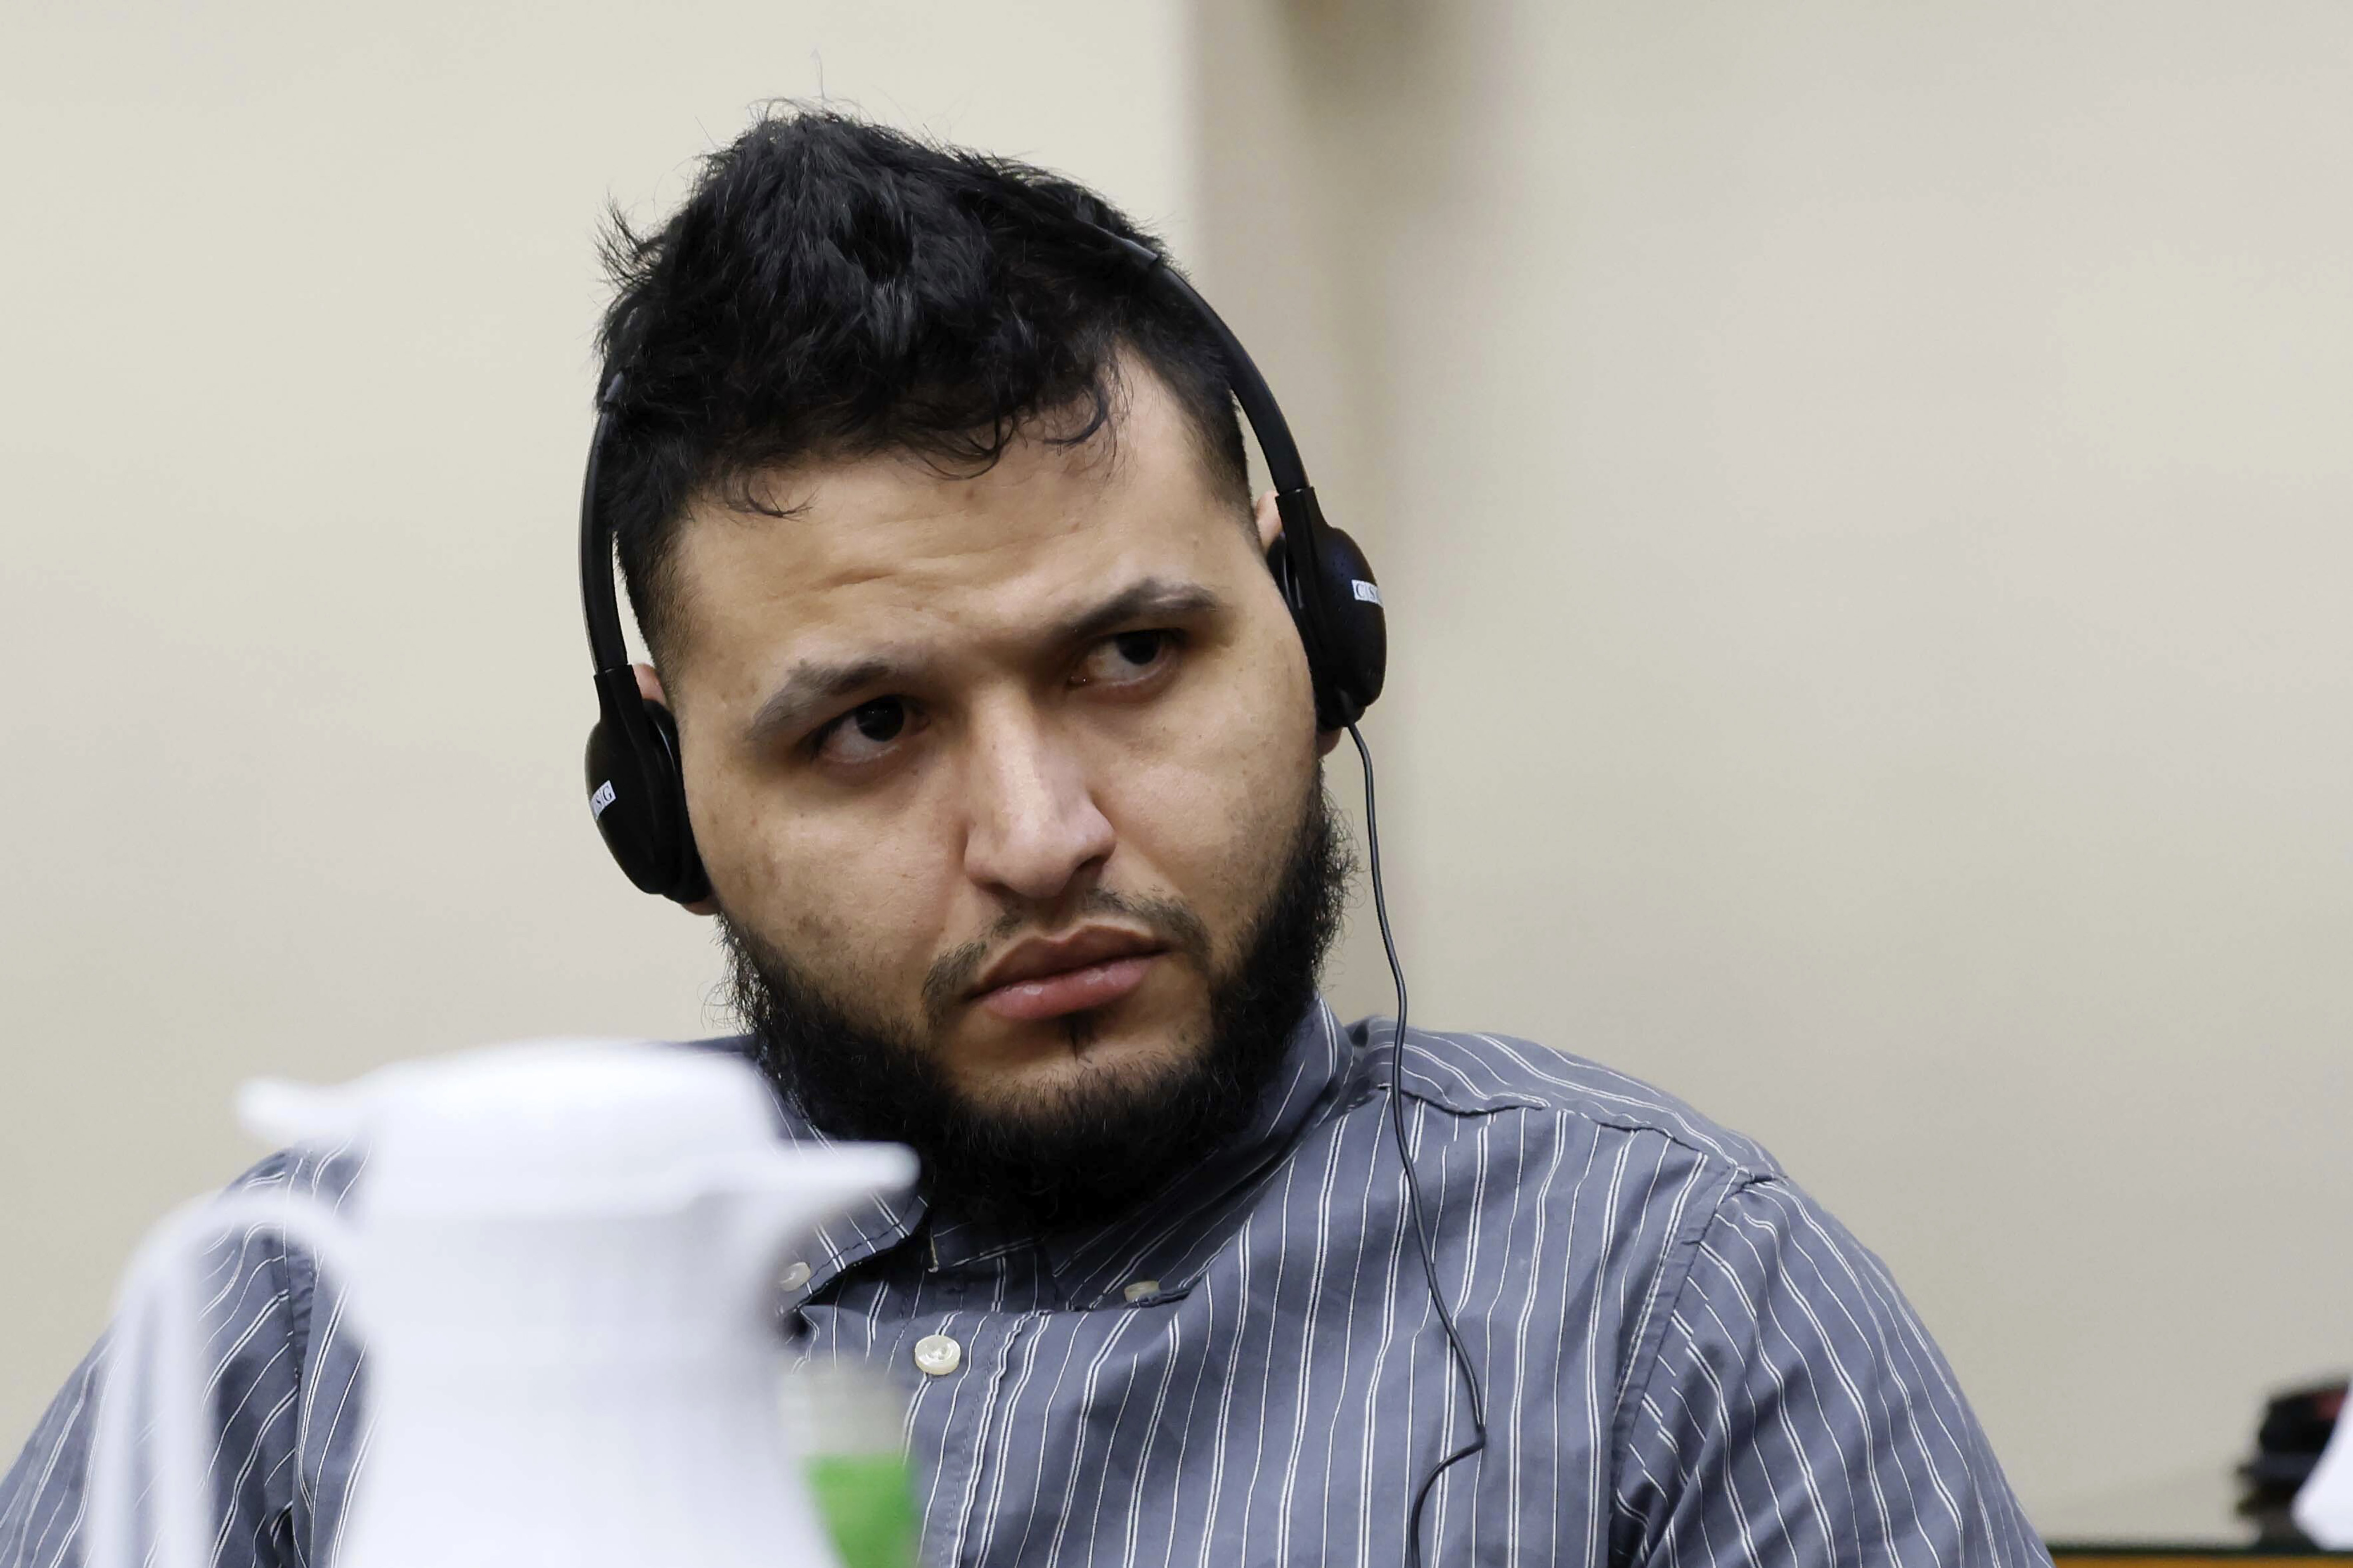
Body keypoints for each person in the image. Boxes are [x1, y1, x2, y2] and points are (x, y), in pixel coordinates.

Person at [0, 108, 2048, 1568]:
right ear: (663, 796)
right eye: (871, 723)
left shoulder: (1676, 1305)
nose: (1042, 832)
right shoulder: (329, 1314)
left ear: (1315, 629)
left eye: (1138, 653)